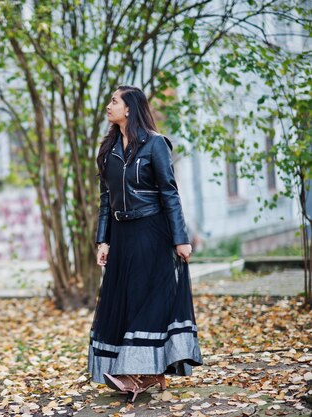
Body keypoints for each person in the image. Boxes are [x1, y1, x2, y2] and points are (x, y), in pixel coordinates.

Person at [87, 85, 203, 403]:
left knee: (151, 300)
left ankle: (138, 371)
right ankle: (147, 372)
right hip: (123, 237)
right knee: (128, 300)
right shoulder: (108, 149)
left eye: (114, 101)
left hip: (153, 231)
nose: (108, 106)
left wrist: (181, 239)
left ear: (129, 108)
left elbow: (169, 193)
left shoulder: (156, 144)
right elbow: (106, 200)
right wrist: (103, 240)